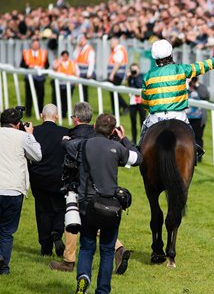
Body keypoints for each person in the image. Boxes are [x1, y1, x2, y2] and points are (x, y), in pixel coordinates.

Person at [50, 102, 131, 275]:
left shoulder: (72, 137)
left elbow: (67, 152)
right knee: (98, 221)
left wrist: (64, 142)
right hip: (101, 187)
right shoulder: (98, 136)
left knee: (72, 221)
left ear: (76, 119)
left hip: (79, 186)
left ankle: (69, 260)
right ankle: (119, 248)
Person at [74, 113, 142, 294]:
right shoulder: (117, 148)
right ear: (113, 131)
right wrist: (124, 139)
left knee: (87, 246)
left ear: (94, 127)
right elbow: (138, 158)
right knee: (107, 251)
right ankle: (102, 290)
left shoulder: (83, 145)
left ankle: (83, 278)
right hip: (110, 207)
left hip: (87, 205)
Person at [139, 39, 214, 162]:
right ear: (170, 54)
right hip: (178, 116)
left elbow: (145, 103)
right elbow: (206, 65)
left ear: (154, 57)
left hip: (155, 117)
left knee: (143, 136)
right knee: (189, 136)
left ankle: (139, 151)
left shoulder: (148, 76)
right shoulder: (181, 69)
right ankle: (195, 150)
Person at [0, 107, 42, 274]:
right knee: (7, 231)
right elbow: (37, 156)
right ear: (18, 124)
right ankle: (4, 268)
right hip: (13, 189)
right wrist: (30, 134)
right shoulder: (23, 136)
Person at [30, 104, 68, 257]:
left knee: (42, 211)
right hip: (59, 177)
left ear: (41, 115)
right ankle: (57, 231)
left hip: (39, 178)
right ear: (57, 116)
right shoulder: (65, 133)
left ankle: (45, 247)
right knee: (60, 208)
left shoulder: (33, 132)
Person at [20, 38, 49, 117]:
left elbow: (47, 65)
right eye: (34, 44)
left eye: (37, 44)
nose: (36, 46)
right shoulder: (26, 53)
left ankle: (40, 112)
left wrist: (42, 68)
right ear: (31, 45)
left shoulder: (43, 53)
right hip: (29, 76)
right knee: (29, 95)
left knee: (40, 95)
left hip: (40, 77)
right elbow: (22, 64)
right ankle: (28, 113)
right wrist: (29, 66)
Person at [186, 77, 209, 156]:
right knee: (186, 136)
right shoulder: (185, 86)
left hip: (198, 117)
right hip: (186, 117)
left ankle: (198, 156)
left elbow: (205, 95)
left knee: (198, 137)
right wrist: (187, 84)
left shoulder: (201, 87)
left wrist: (197, 85)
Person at [52, 50, 79, 118]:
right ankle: (56, 113)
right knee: (57, 99)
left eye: (66, 56)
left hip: (69, 84)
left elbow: (77, 71)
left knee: (66, 100)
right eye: (63, 56)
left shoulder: (72, 63)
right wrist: (60, 61)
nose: (65, 57)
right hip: (59, 84)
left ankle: (64, 113)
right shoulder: (57, 62)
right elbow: (54, 68)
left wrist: (76, 81)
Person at [107, 37, 129, 115]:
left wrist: (112, 74)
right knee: (113, 92)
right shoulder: (117, 50)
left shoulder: (119, 50)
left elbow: (118, 63)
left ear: (116, 42)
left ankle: (124, 106)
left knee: (114, 92)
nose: (110, 44)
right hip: (116, 74)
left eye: (111, 42)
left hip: (117, 74)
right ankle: (116, 110)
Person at [126, 63, 145, 144]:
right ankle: (134, 139)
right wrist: (128, 78)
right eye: (132, 70)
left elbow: (139, 85)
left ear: (139, 69)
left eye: (135, 69)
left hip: (141, 101)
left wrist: (135, 76)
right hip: (133, 101)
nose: (133, 71)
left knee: (142, 122)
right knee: (133, 121)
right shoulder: (130, 78)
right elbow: (128, 87)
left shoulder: (141, 76)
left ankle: (143, 140)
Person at [73, 35, 96, 102]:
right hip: (80, 73)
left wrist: (89, 73)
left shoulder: (89, 50)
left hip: (85, 74)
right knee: (82, 91)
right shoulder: (80, 49)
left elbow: (91, 63)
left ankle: (85, 105)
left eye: (82, 39)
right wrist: (78, 47)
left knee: (84, 91)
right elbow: (75, 57)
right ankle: (84, 104)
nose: (80, 41)